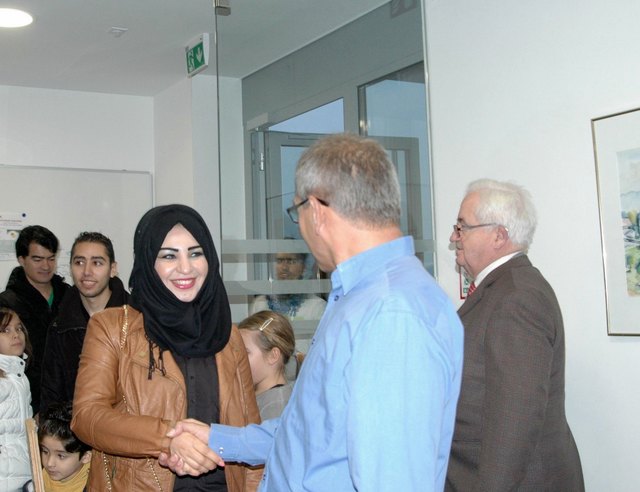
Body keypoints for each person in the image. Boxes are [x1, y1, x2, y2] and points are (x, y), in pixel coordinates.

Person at [163, 134, 464, 491]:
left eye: (297, 213)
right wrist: (218, 438)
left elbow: (394, 481)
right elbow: (310, 431)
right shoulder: (357, 297)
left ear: (317, 212)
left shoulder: (393, 313)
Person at [71, 204, 261, 491]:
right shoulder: (112, 327)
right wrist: (168, 438)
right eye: (169, 256)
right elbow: (87, 417)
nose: (185, 268)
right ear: (148, 262)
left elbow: (249, 436)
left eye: (195, 253)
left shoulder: (228, 336)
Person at [445, 179, 584, 491]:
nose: (454, 237)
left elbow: (514, 424)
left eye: (462, 227)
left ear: (499, 235)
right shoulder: (505, 289)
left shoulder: (517, 298)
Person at [40, 232, 130, 414]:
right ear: (70, 267)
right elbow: (51, 396)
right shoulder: (60, 327)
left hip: (127, 425)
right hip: (75, 427)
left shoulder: (137, 319)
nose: (87, 271)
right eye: (79, 262)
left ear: (113, 269)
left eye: (97, 263)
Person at [0, 225, 70, 415]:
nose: (46, 266)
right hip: (27, 400)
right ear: (21, 259)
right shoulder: (7, 303)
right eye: (37, 259)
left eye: (51, 258)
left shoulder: (69, 296)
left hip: (68, 398)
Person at [238, 310, 295, 420]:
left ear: (273, 356)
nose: (238, 359)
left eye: (245, 352)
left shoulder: (276, 407)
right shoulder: (257, 395)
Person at [0, 307, 33, 491]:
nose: (16, 335)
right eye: (5, 330)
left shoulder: (19, 376)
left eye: (19, 328)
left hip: (22, 471)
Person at [250, 251, 326, 321]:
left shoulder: (317, 307)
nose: (284, 267)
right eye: (279, 261)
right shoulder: (260, 304)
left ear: (303, 267)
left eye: (291, 261)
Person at [38, 402, 91, 491]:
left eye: (61, 456)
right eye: (45, 451)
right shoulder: (40, 479)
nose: (49, 463)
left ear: (86, 456)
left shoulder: (95, 485)